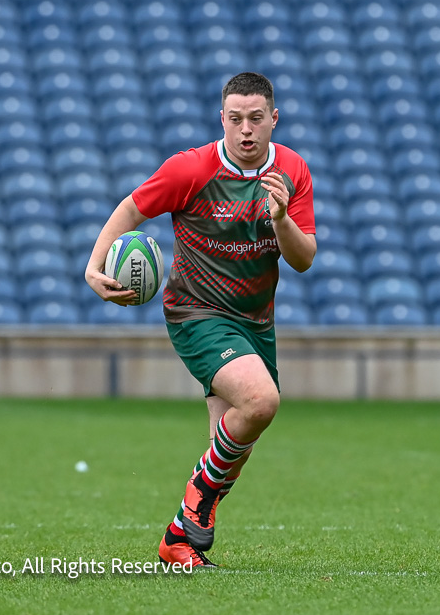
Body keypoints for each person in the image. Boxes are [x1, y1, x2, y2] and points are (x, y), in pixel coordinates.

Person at [85, 72, 316, 568]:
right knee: (261, 401)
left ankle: (178, 541)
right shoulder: (191, 169)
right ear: (222, 119)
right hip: (197, 312)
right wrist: (93, 264)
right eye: (236, 119)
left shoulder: (293, 170)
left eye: (256, 119)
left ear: (274, 119)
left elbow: (303, 259)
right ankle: (196, 504)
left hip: (255, 321)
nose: (246, 129)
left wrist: (281, 218)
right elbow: (131, 208)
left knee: (232, 445)